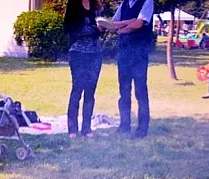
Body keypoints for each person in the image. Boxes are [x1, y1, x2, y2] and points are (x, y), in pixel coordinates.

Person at [108, 0, 154, 139]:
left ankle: (142, 129)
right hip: (124, 53)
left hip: (139, 54)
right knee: (124, 92)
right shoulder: (124, 4)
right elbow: (112, 24)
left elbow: (139, 23)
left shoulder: (147, 1)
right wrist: (121, 24)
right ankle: (124, 125)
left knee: (140, 92)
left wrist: (121, 27)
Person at [64, 0, 103, 139]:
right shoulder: (73, 5)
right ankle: (72, 129)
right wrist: (92, 29)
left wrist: (101, 29)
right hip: (78, 53)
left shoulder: (96, 6)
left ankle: (86, 128)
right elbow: (69, 29)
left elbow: (99, 30)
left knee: (90, 92)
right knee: (77, 90)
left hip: (95, 53)